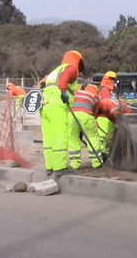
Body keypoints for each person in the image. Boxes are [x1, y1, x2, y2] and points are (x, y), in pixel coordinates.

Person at [39, 50, 84, 178]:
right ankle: (60, 168)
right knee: (60, 135)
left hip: (45, 104)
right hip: (58, 104)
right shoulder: (72, 68)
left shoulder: (55, 71)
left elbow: (43, 84)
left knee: (49, 137)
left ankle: (50, 167)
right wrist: (63, 91)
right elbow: (64, 79)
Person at [69, 83, 105, 169]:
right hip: (87, 115)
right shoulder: (94, 98)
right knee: (92, 138)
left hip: (71, 115)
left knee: (73, 138)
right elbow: (95, 113)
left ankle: (75, 165)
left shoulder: (75, 93)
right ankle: (97, 163)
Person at [97, 71, 118, 155]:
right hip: (104, 117)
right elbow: (106, 104)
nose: (113, 81)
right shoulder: (104, 90)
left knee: (109, 138)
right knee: (102, 138)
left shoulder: (112, 91)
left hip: (111, 118)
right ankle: (100, 155)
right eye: (112, 79)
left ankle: (106, 154)